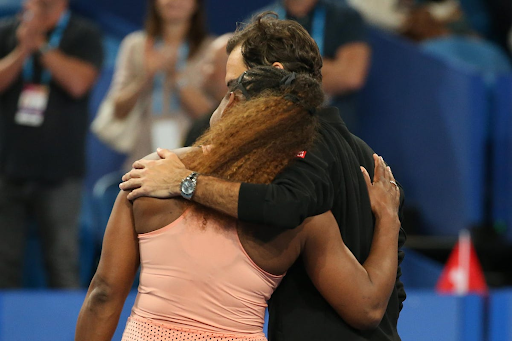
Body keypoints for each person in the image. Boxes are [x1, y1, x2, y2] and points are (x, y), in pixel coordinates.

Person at [120, 13, 406, 341]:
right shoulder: (368, 158)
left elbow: (287, 204)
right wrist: (389, 221)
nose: (231, 102)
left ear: (274, 75)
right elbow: (392, 289)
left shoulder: (299, 141)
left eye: (235, 87)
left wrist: (184, 182)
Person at [0, 0, 103, 288]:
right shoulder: (7, 31)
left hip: (61, 170)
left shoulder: (83, 33)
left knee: (62, 258)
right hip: (7, 166)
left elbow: (78, 84)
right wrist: (22, 50)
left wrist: (41, 46)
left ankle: (69, 329)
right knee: (3, 260)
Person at [95, 0, 214, 167]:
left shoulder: (212, 49)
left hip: (195, 154)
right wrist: (146, 76)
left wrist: (175, 76)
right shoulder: (135, 45)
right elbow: (118, 109)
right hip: (142, 152)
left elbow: (212, 117)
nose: (174, 2)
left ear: (196, 4)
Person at [250, 0, 371, 133]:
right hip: (276, 125)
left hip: (328, 130)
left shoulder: (346, 17)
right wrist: (327, 69)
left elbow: (350, 77)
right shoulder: (262, 21)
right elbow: (253, 77)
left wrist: (284, 70)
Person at [183, 33, 232, 147]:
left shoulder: (204, 131)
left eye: (209, 62)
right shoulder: (202, 125)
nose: (202, 69)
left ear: (228, 70)